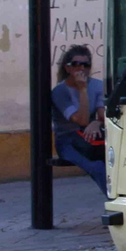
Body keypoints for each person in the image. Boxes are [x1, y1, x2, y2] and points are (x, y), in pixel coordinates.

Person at [51, 44, 106, 192]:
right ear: (67, 68)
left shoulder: (97, 85)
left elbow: (103, 115)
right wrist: (82, 90)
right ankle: (113, 201)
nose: (81, 69)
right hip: (68, 140)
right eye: (76, 64)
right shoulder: (60, 92)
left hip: (91, 135)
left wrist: (96, 122)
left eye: (86, 65)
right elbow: (81, 120)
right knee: (97, 166)